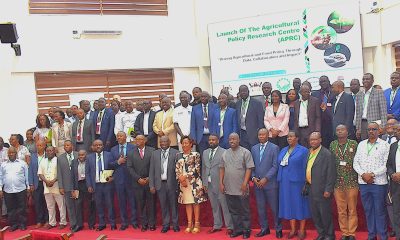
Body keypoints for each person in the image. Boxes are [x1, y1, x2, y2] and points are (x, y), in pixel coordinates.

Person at [354, 122, 389, 240]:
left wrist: (372, 174)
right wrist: (363, 174)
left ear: (379, 131)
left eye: (374, 129)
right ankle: (372, 235)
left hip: (378, 183)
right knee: (368, 211)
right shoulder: (361, 144)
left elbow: (386, 165)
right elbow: (355, 162)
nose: (371, 131)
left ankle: (383, 236)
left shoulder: (385, 145)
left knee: (380, 211)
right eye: (369, 129)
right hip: (363, 183)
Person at [220, 133, 254, 239]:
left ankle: (246, 230)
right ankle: (238, 229)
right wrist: (221, 183)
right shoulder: (225, 153)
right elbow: (222, 168)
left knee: (244, 211)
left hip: (242, 188)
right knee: (233, 211)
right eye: (230, 139)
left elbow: (249, 168)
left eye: (234, 139)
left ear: (239, 140)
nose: (232, 141)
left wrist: (245, 183)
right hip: (229, 188)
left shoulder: (245, 152)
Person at [277, 131, 310, 239]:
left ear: (297, 138)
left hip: (298, 182)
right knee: (289, 205)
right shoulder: (283, 150)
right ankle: (293, 229)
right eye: (288, 137)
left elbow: (306, 166)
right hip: (285, 182)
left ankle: (301, 230)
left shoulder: (303, 151)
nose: (289, 138)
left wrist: (306, 181)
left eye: (291, 137)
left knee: (300, 205)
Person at [251, 128, 282, 238]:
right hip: (257, 184)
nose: (261, 136)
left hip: (270, 184)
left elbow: (275, 166)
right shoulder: (254, 148)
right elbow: (252, 166)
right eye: (259, 135)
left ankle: (278, 229)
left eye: (263, 135)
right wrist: (253, 177)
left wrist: (266, 178)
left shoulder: (274, 148)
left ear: (268, 135)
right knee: (261, 208)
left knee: (275, 208)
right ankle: (264, 228)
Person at [330, 125, 358, 240]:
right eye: (337, 130)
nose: (340, 131)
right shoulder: (332, 145)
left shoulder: (353, 144)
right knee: (341, 210)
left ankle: (352, 233)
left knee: (352, 209)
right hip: (337, 183)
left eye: (342, 129)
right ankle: (344, 233)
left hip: (352, 181)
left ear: (347, 131)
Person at [306, 132, 336, 240]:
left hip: (322, 189)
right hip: (311, 188)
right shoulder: (309, 152)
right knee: (316, 214)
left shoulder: (327, 154)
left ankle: (329, 235)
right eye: (311, 140)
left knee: (325, 214)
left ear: (320, 140)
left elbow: (331, 173)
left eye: (315, 139)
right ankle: (321, 233)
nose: (313, 142)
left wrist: (328, 189)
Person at [202, 134, 233, 234]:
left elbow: (227, 169)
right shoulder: (205, 152)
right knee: (214, 206)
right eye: (210, 140)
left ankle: (230, 226)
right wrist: (204, 183)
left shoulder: (224, 152)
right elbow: (204, 168)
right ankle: (217, 225)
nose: (211, 141)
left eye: (213, 140)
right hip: (209, 184)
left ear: (218, 141)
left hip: (220, 183)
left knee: (225, 206)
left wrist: (224, 183)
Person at [175, 136, 207, 234]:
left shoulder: (196, 154)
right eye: (183, 143)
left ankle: (197, 223)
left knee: (195, 202)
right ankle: (189, 224)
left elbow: (197, 169)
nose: (184, 145)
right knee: (187, 203)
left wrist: (185, 176)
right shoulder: (178, 155)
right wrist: (180, 178)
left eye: (186, 143)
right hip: (183, 183)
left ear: (191, 144)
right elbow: (176, 169)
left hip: (194, 182)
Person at [149, 136, 180, 233]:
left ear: (169, 142)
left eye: (165, 141)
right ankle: (166, 225)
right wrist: (151, 185)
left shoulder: (176, 153)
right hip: (159, 184)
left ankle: (175, 224)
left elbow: (179, 170)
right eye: (161, 142)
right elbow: (151, 171)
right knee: (163, 206)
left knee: (174, 205)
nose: (163, 143)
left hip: (172, 184)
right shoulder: (155, 154)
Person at [127, 135, 156, 232]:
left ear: (145, 140)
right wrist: (138, 178)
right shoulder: (131, 153)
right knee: (141, 204)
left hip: (149, 182)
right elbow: (129, 167)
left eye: (140, 139)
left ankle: (152, 224)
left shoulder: (152, 151)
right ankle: (144, 224)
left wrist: (149, 178)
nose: (138, 141)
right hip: (137, 183)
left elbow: (155, 166)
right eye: (137, 139)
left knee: (151, 204)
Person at [85, 140, 116, 231]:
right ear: (93, 147)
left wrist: (113, 177)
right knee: (99, 205)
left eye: (100, 145)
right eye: (96, 145)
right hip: (96, 185)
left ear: (103, 146)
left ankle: (112, 223)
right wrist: (89, 185)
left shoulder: (109, 155)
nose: (98, 146)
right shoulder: (89, 157)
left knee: (110, 204)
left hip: (107, 185)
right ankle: (102, 224)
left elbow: (114, 167)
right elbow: (87, 173)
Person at [109, 131, 138, 230]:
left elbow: (136, 162)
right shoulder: (113, 149)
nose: (119, 137)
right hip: (119, 179)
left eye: (121, 136)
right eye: (118, 136)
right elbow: (110, 164)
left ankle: (134, 222)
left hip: (131, 179)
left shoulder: (133, 147)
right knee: (121, 202)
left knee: (132, 201)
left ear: (125, 137)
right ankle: (124, 223)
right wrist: (118, 162)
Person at [0, 146, 29, 231]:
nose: (11, 154)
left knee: (22, 207)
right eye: (10, 153)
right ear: (7, 154)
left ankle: (22, 224)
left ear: (16, 154)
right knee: (11, 208)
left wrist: (27, 187)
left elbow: (26, 176)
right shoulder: (3, 165)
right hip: (8, 190)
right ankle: (13, 224)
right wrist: (0, 189)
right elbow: (0, 177)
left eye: (13, 152)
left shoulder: (22, 163)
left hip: (21, 189)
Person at [38, 146, 67, 229]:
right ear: (45, 152)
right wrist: (46, 181)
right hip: (46, 187)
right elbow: (40, 173)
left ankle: (63, 222)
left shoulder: (59, 160)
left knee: (61, 205)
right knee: (50, 206)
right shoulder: (43, 161)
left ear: (54, 151)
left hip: (57, 186)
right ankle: (52, 222)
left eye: (51, 150)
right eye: (47, 151)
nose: (49, 152)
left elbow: (61, 173)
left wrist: (54, 180)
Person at [355, 73, 387, 140]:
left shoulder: (379, 92)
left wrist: (383, 126)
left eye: (367, 79)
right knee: (364, 143)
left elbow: (383, 111)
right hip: (363, 124)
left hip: (375, 124)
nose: (365, 81)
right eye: (363, 79)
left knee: (376, 143)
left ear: (372, 81)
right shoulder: (359, 94)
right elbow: (358, 113)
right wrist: (358, 128)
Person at [71, 150, 96, 231]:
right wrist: (73, 189)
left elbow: (92, 173)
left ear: (86, 155)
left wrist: (91, 185)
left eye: (83, 155)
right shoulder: (74, 162)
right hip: (78, 185)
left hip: (87, 184)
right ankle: (79, 225)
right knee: (78, 205)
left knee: (90, 205)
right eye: (79, 155)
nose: (81, 156)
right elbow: (72, 176)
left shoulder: (90, 161)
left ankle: (91, 224)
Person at [57, 141, 79, 232]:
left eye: (68, 145)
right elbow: (59, 173)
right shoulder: (60, 158)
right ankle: (73, 224)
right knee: (70, 207)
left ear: (72, 146)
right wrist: (61, 186)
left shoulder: (78, 155)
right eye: (65, 145)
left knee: (78, 206)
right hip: (66, 186)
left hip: (77, 186)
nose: (66, 146)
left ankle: (79, 224)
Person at [235, 85, 265, 150]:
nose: (243, 93)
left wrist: (259, 133)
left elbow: (260, 119)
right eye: (241, 91)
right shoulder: (237, 104)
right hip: (242, 134)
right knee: (245, 154)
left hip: (254, 134)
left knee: (254, 153)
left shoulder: (257, 103)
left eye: (244, 91)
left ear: (248, 91)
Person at [28, 140, 48, 229]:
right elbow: (30, 171)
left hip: (47, 183)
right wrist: (31, 183)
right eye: (37, 145)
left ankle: (48, 221)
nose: (38, 147)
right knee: (38, 203)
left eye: (40, 145)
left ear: (44, 146)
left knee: (47, 202)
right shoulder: (33, 156)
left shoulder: (48, 155)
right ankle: (39, 221)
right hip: (37, 183)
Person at [311, 76, 335, 147]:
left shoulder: (334, 92)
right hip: (321, 124)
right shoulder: (314, 94)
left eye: (325, 81)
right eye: (321, 82)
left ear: (329, 82)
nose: (323, 83)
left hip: (332, 122)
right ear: (319, 83)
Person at [387, 126, 400, 240]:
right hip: (395, 183)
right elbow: (389, 165)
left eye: (399, 130)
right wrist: (392, 175)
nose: (397, 132)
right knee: (396, 211)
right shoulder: (393, 146)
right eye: (396, 130)